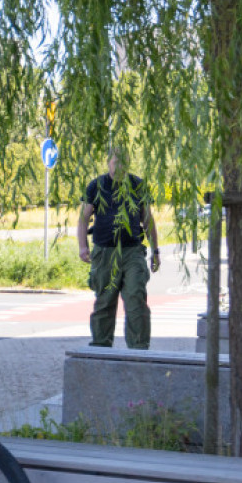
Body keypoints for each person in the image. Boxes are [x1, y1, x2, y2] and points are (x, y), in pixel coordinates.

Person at [76, 147, 161, 350]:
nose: (120, 167)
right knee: (104, 302)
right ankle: (100, 346)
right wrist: (82, 247)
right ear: (108, 163)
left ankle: (139, 349)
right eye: (116, 162)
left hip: (132, 251)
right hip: (104, 251)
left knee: (136, 299)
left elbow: (147, 220)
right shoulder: (96, 186)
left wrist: (156, 250)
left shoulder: (137, 185)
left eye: (124, 162)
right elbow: (83, 219)